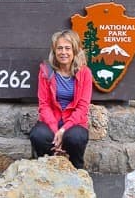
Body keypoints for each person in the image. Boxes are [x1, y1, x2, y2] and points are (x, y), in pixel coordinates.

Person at [29, 30, 92, 170]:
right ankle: (45, 170)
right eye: (60, 48)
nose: (63, 52)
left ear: (74, 50)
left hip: (74, 123)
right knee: (38, 136)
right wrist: (55, 130)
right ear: (54, 51)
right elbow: (43, 104)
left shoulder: (85, 73)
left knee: (76, 138)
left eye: (67, 48)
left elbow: (82, 106)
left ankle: (77, 170)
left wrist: (63, 130)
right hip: (51, 120)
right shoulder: (46, 71)